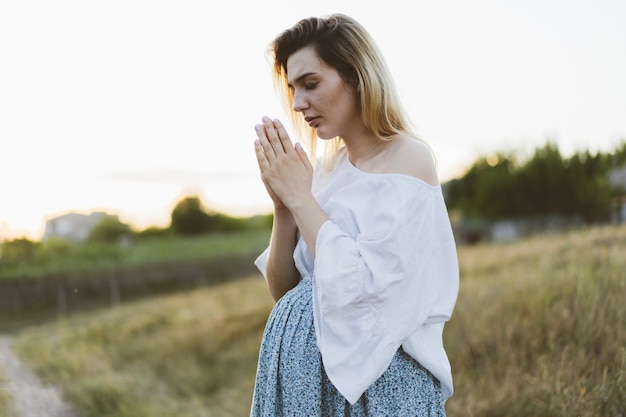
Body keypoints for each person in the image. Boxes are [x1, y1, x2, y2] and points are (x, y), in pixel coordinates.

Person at [251, 13, 459, 416]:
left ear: (357, 76)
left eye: (311, 84)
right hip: (303, 393)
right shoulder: (327, 171)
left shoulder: (408, 159)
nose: (297, 103)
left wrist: (302, 198)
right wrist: (285, 209)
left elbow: (365, 293)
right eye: (293, 89)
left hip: (376, 391)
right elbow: (285, 291)